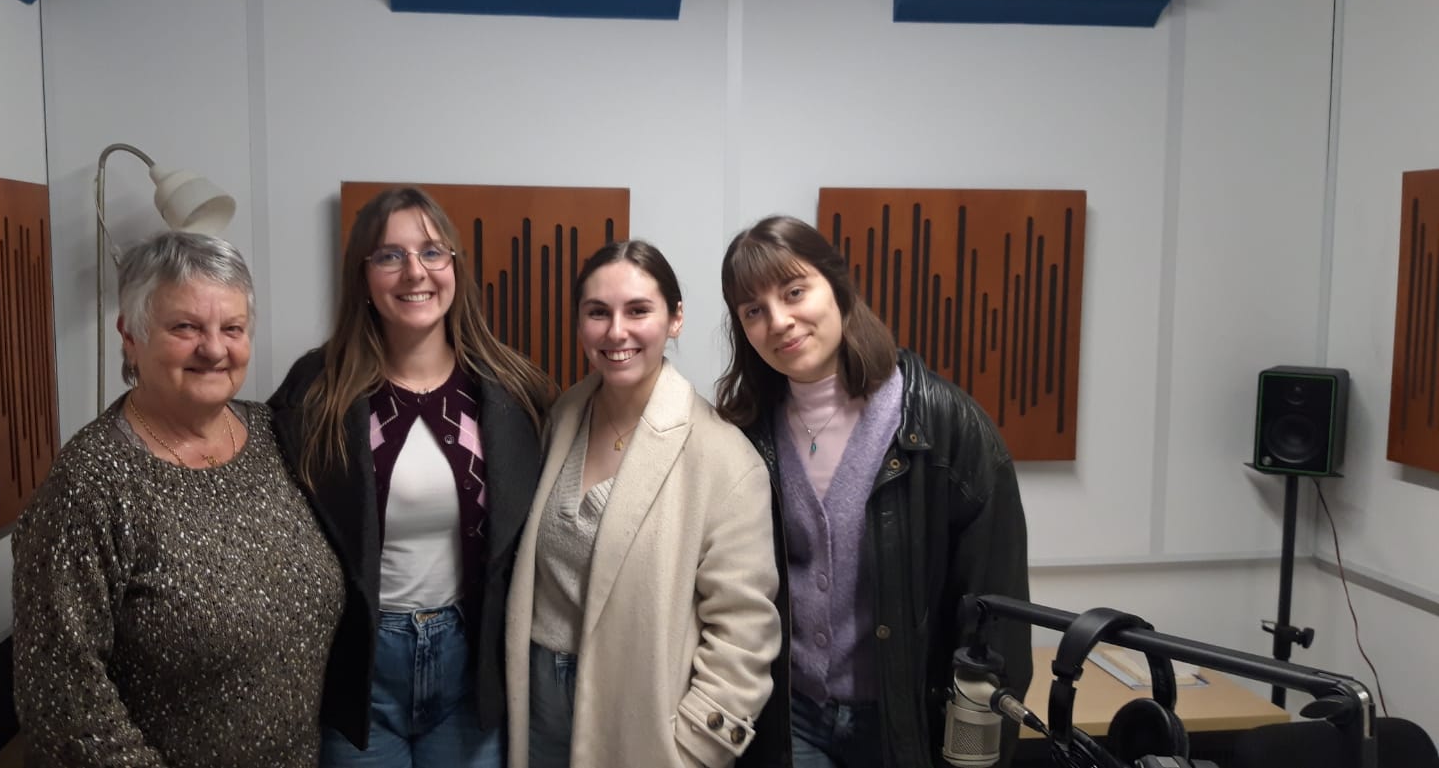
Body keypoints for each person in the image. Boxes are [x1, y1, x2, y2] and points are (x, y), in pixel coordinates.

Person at [12, 232, 344, 768]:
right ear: (131, 335)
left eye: (232, 328)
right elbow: (62, 698)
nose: (214, 349)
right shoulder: (91, 482)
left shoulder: (277, 435)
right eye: (185, 327)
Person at [717, 216, 1032, 768]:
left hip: (902, 722)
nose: (779, 321)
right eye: (753, 311)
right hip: (791, 719)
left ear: (837, 286)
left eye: (794, 292)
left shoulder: (945, 426)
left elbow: (996, 615)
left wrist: (977, 749)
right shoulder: (746, 433)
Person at [269, 186, 554, 768]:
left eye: (431, 252)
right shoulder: (315, 390)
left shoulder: (515, 390)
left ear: (455, 267)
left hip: (471, 670)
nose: (414, 272)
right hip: (359, 674)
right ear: (363, 276)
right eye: (390, 255)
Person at [503, 240, 782, 768]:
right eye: (597, 312)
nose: (616, 332)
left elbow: (744, 632)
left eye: (637, 311)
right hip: (538, 700)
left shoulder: (724, 458)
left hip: (642, 715)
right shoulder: (563, 415)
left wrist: (694, 747)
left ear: (675, 319)